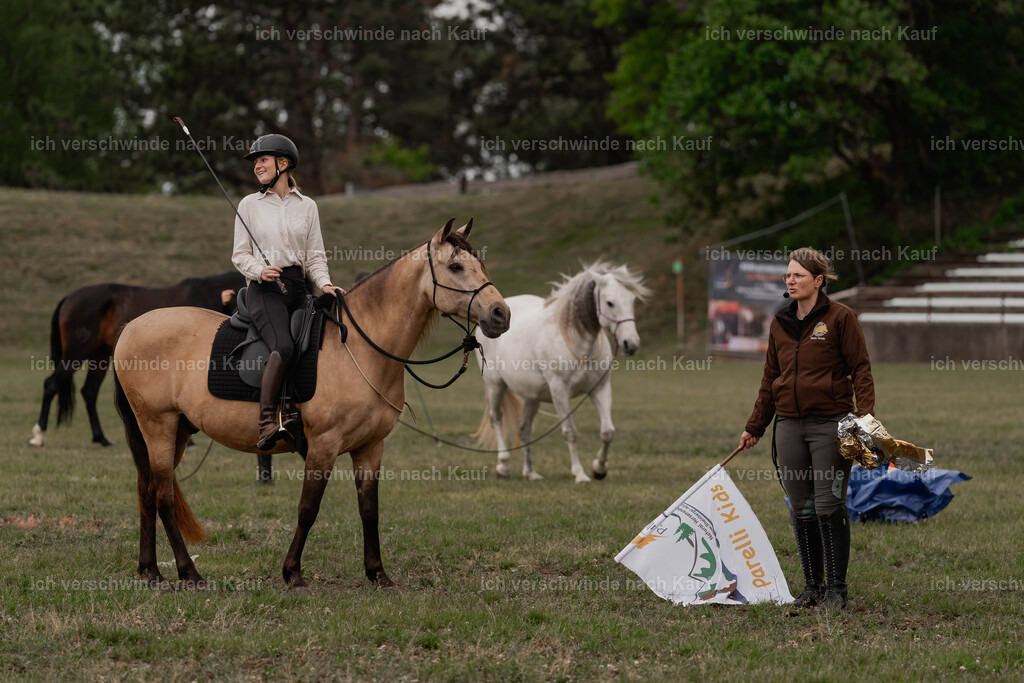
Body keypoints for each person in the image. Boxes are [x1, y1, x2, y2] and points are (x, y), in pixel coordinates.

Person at [738, 247, 874, 610]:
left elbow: (861, 369)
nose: (791, 280)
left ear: (818, 280)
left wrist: (866, 419)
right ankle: (812, 588)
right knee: (801, 508)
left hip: (831, 425)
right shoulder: (779, 322)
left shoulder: (841, 318)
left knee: (829, 504)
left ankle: (836, 591)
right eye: (788, 275)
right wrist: (756, 426)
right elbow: (770, 377)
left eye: (798, 275)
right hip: (788, 427)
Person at [231, 133, 344, 483]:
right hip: (264, 289)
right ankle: (267, 422)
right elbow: (239, 254)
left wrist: (325, 284)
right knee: (283, 345)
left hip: (299, 287)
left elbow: (314, 256)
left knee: (320, 345)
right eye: (255, 161)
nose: (257, 165)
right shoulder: (249, 205)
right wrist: (257, 271)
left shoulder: (308, 206)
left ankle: (303, 413)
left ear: (283, 164)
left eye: (263, 159)